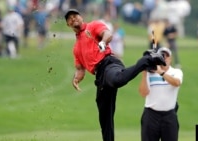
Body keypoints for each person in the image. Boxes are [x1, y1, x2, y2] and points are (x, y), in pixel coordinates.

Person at [64, 9, 166, 141]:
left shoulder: (92, 26)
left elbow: (107, 34)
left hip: (109, 63)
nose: (73, 19)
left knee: (117, 80)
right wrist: (76, 78)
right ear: (68, 25)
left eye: (75, 16)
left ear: (81, 17)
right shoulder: (76, 48)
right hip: (100, 76)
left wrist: (103, 42)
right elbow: (80, 69)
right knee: (104, 117)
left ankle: (147, 59)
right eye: (70, 19)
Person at [139, 47, 183, 141]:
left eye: (167, 56)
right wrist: (144, 74)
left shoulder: (176, 72)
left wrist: (161, 72)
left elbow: (176, 83)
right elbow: (143, 93)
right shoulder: (150, 73)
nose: (165, 58)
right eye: (162, 56)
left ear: (170, 59)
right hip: (151, 115)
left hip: (169, 115)